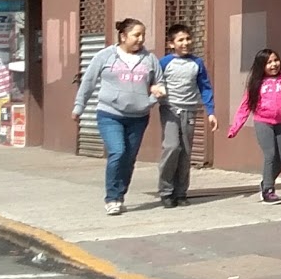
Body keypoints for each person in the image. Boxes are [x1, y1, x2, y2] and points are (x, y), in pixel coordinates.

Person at [73, 18, 165, 216]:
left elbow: (160, 82)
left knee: (129, 158)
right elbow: (88, 81)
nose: (141, 39)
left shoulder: (149, 59)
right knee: (118, 151)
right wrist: (79, 107)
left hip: (138, 116)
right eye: (136, 35)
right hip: (110, 114)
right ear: (123, 36)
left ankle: (120, 194)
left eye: (143, 35)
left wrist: (154, 96)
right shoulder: (105, 56)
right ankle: (112, 198)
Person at [227, 48, 281, 203]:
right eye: (269, 62)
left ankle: (266, 181)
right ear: (261, 66)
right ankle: (268, 190)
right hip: (263, 122)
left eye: (275, 60)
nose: (274, 64)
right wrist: (235, 127)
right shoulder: (256, 83)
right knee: (270, 155)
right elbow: (245, 106)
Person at [156, 24, 216, 208]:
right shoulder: (164, 63)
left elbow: (205, 87)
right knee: (172, 147)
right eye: (180, 40)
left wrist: (211, 112)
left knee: (186, 152)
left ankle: (181, 192)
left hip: (190, 110)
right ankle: (166, 191)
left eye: (188, 39)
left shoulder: (196, 63)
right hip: (170, 109)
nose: (185, 43)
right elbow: (154, 82)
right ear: (171, 44)